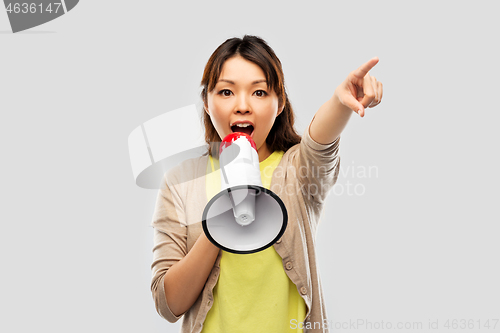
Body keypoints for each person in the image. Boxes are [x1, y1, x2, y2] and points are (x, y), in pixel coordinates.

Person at [150, 35, 383, 333]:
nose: (243, 106)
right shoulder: (181, 181)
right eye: (226, 92)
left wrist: (341, 102)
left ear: (280, 103)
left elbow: (321, 142)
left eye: (259, 92)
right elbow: (169, 304)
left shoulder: (297, 171)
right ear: (206, 103)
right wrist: (219, 226)